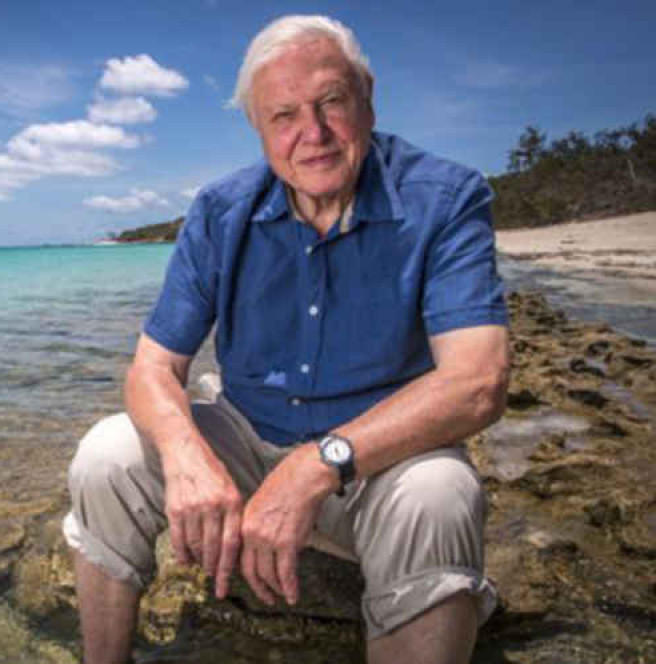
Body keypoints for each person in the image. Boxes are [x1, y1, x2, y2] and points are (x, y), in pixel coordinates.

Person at [64, 14, 510, 664]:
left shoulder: (445, 199)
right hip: (247, 437)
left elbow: (477, 384)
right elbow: (151, 369)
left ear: (367, 96)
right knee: (106, 456)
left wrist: (316, 464)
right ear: (259, 129)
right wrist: (188, 458)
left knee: (440, 495)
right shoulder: (221, 212)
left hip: (379, 463)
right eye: (285, 116)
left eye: (331, 102)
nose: (314, 134)